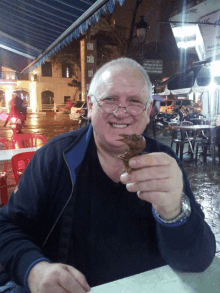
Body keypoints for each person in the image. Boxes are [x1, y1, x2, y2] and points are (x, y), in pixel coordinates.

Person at [0, 58, 216, 293]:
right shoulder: (54, 158)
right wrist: (34, 269)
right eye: (109, 99)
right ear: (91, 107)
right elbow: (7, 227)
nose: (121, 112)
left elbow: (198, 261)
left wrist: (175, 212)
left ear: (148, 112)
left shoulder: (164, 161)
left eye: (134, 101)